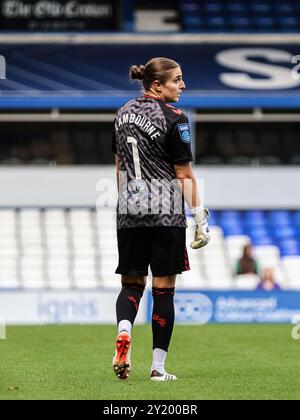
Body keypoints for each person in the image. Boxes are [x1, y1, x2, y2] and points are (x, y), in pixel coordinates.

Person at [111, 58, 210, 382]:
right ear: (157, 85)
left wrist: (125, 204)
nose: (182, 85)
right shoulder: (175, 118)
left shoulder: (122, 113)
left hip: (130, 212)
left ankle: (124, 331)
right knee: (163, 290)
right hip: (166, 214)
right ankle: (158, 369)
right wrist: (198, 215)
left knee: (131, 284)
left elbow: (119, 169)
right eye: (177, 80)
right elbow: (183, 173)